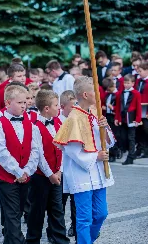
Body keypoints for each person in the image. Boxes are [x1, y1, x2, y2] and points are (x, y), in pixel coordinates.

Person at [54, 76, 115, 244]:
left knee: (101, 213)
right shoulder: (73, 118)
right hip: (82, 174)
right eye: (95, 91)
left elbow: (108, 142)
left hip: (99, 173)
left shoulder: (96, 113)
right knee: (84, 218)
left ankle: (89, 239)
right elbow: (72, 150)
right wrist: (96, 156)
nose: (99, 94)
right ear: (86, 94)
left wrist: (105, 127)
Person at [0, 85, 40, 244]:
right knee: (11, 213)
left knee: (18, 211)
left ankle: (9, 240)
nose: (24, 106)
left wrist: (27, 170)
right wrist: (17, 171)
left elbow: (35, 148)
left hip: (25, 174)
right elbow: (0, 151)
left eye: (25, 102)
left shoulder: (30, 122)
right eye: (19, 103)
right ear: (8, 103)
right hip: (7, 176)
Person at [26, 90, 70, 244]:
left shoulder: (59, 122)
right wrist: (50, 173)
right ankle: (32, 239)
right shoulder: (35, 127)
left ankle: (60, 239)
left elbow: (64, 148)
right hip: (41, 176)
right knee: (37, 211)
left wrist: (59, 170)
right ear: (46, 108)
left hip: (57, 174)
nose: (59, 108)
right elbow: (38, 155)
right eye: (56, 105)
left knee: (57, 209)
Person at [58, 90, 77, 239]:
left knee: (75, 201)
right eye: (72, 106)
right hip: (61, 168)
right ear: (62, 106)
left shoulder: (78, 120)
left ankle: (75, 226)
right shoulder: (57, 121)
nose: (75, 109)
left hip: (75, 167)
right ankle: (58, 228)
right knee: (60, 202)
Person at [116, 74, 142, 165]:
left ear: (133, 83)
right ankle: (128, 152)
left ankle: (130, 157)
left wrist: (138, 119)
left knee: (131, 138)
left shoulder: (136, 93)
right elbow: (118, 107)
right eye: (125, 83)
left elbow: (138, 107)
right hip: (123, 118)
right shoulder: (120, 93)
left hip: (131, 118)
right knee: (123, 137)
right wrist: (117, 118)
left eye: (128, 83)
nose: (126, 85)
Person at [101, 78, 121, 162]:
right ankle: (111, 152)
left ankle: (115, 152)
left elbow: (119, 107)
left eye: (109, 88)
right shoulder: (107, 94)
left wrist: (112, 108)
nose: (108, 90)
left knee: (114, 135)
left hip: (114, 116)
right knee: (108, 134)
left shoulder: (117, 94)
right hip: (107, 115)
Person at [135, 62, 148, 159]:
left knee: (146, 130)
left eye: (140, 71)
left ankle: (146, 150)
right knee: (139, 130)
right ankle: (140, 149)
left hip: (146, 110)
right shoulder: (138, 81)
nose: (138, 73)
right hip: (139, 109)